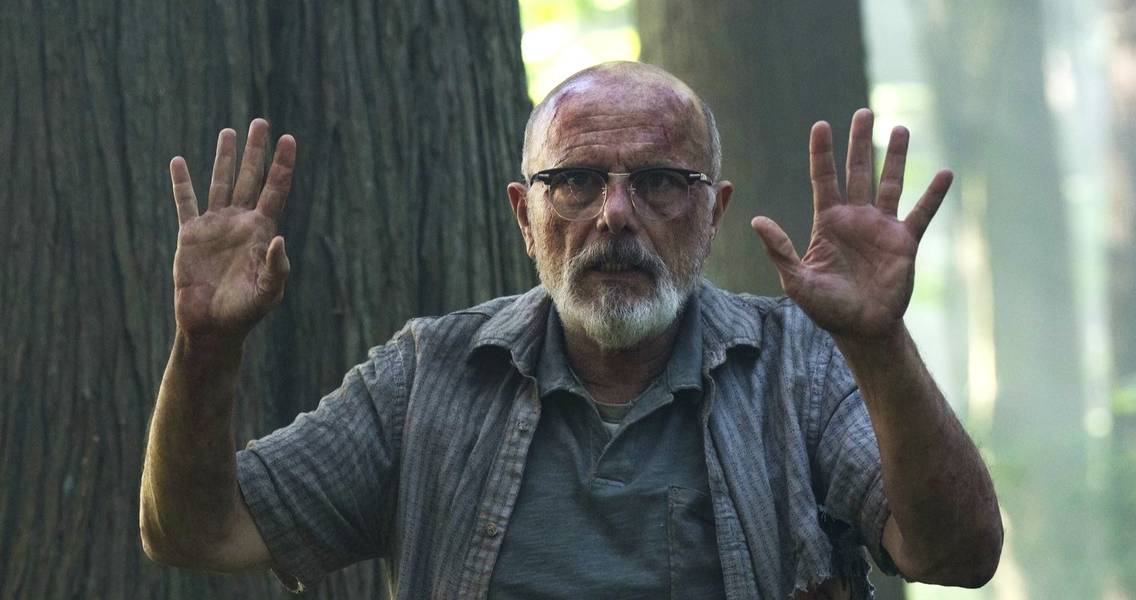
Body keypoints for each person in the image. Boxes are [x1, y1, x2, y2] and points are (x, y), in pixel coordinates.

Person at [140, 62, 1002, 599]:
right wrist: (204, 348)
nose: (615, 215)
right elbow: (194, 531)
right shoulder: (428, 377)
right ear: (526, 215)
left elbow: (959, 556)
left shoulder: (798, 367)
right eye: (577, 181)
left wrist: (880, 345)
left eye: (658, 182)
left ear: (713, 213)